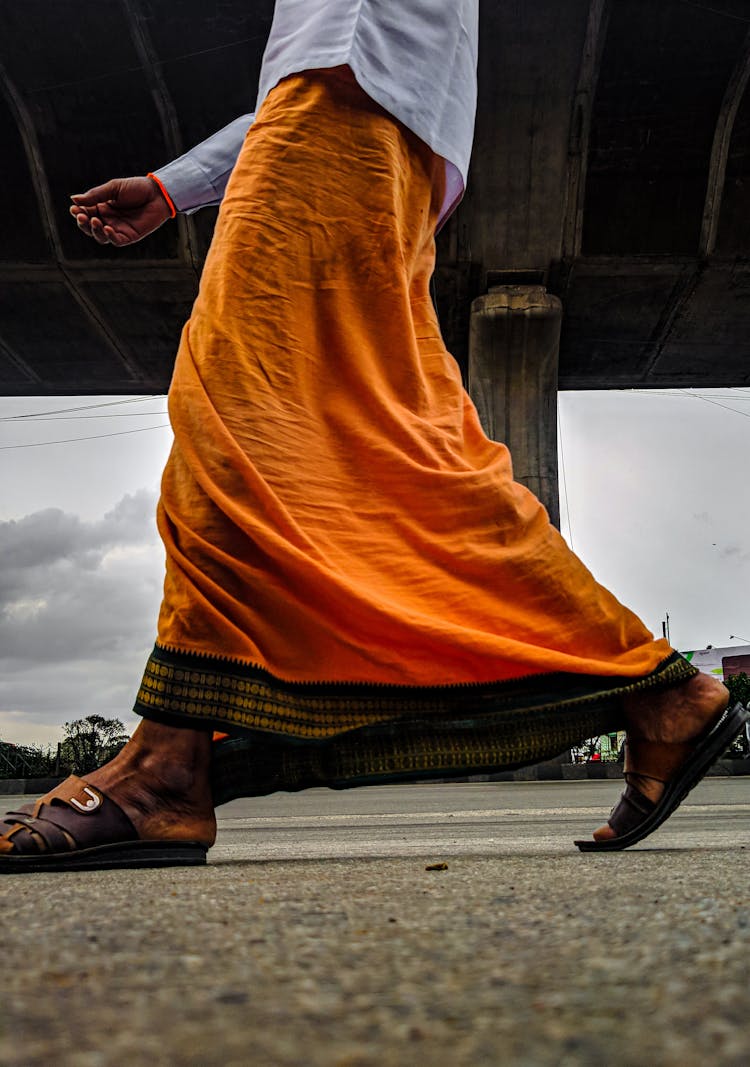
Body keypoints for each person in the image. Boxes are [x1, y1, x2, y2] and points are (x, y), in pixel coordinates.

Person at [1, 0, 745, 871]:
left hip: (343, 110)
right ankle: (656, 691)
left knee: (236, 418)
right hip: (346, 122)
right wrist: (179, 183)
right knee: (382, 451)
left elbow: (338, 51)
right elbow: (313, 71)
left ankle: (169, 766)